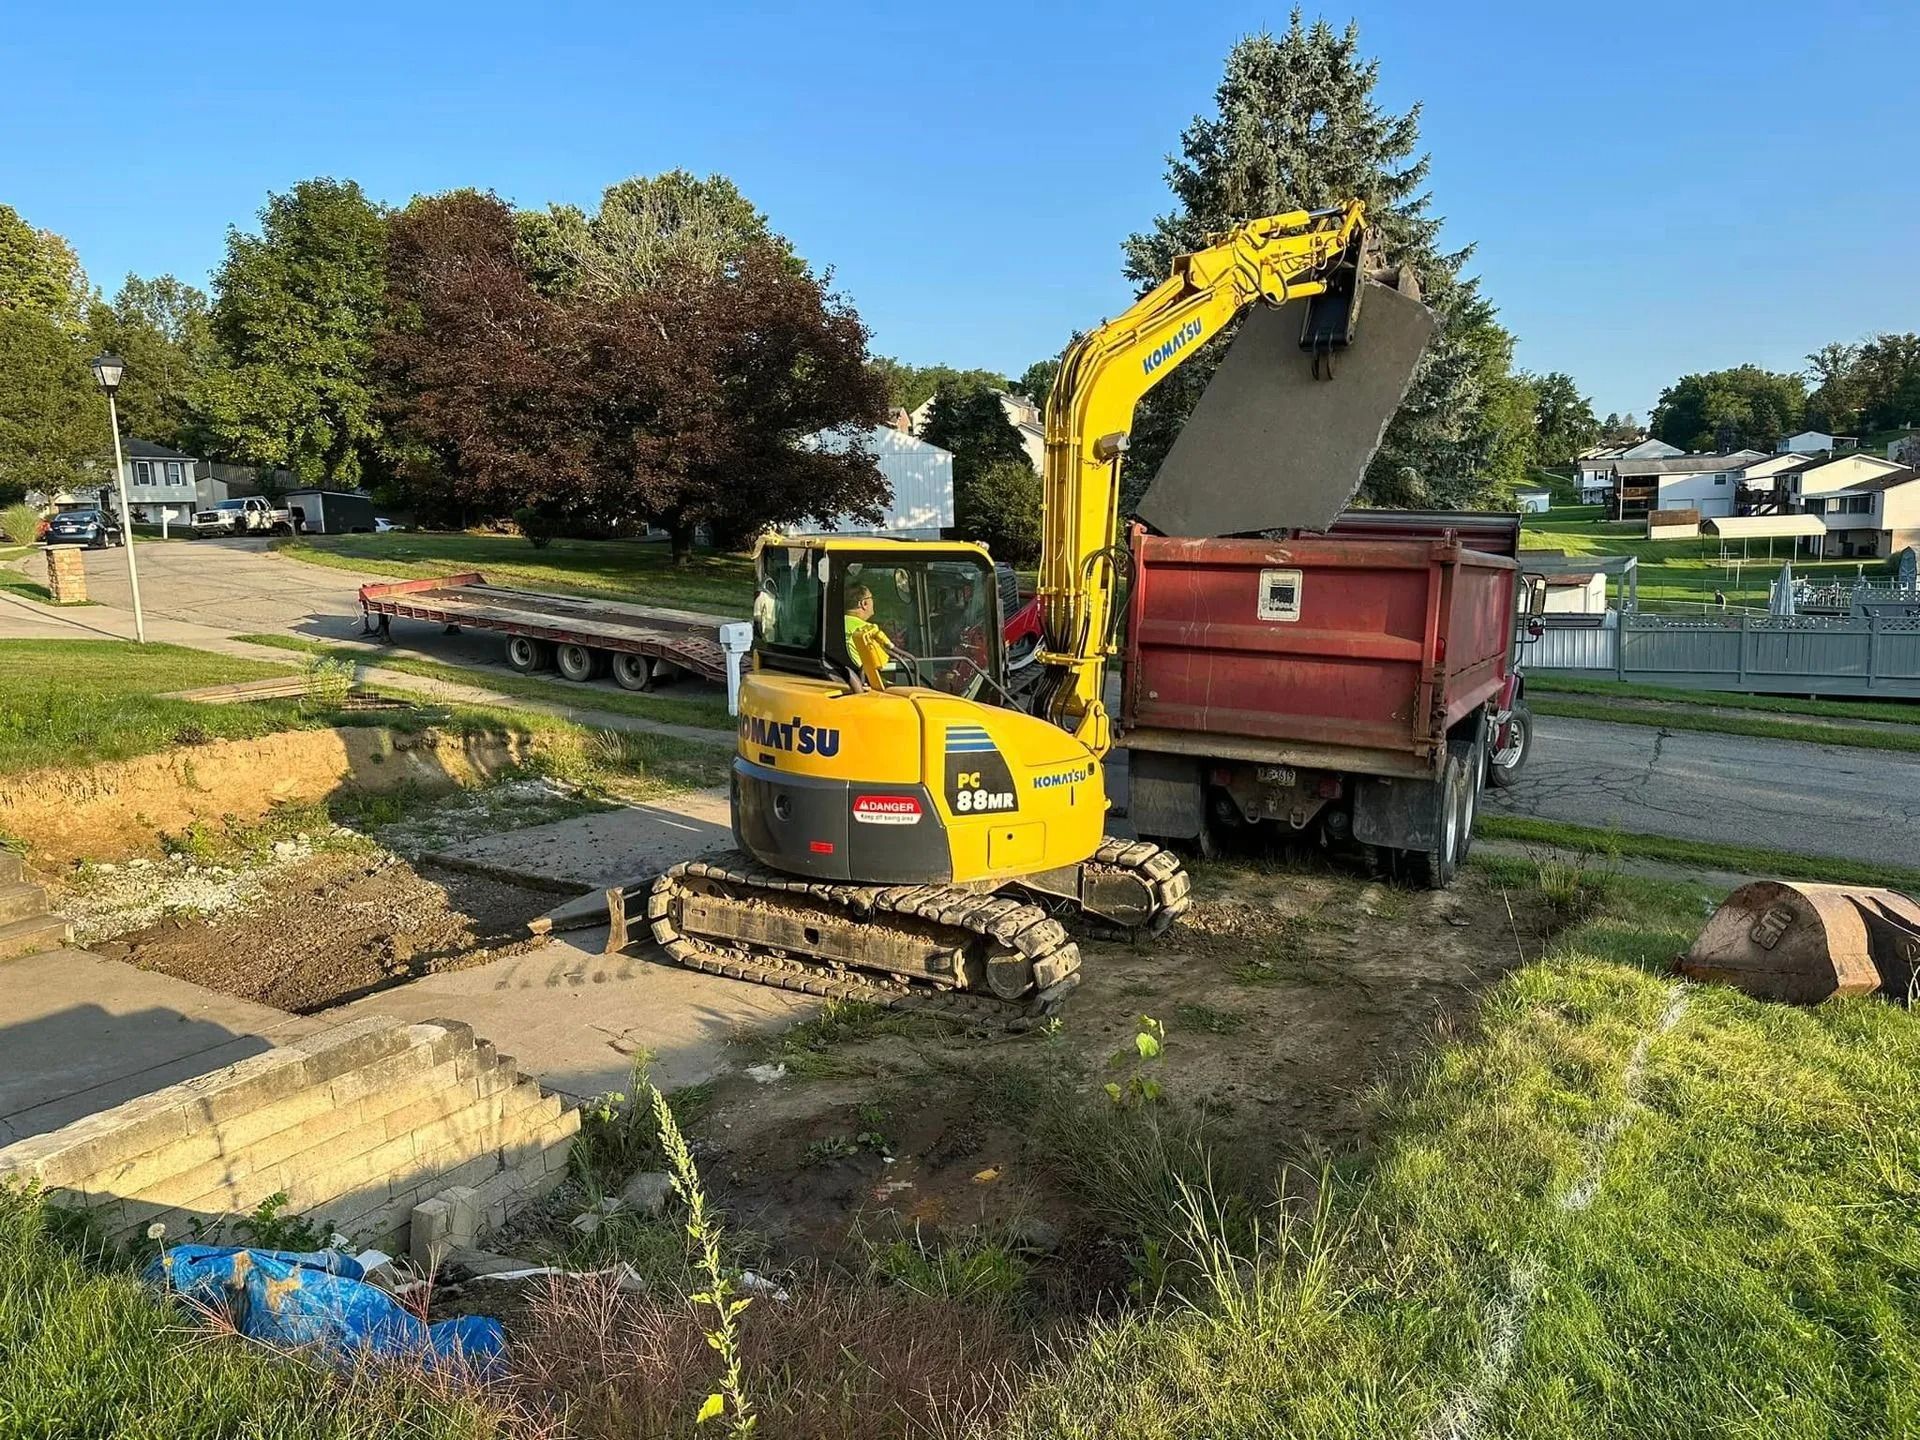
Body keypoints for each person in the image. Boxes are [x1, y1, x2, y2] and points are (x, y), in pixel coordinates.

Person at [844, 583, 910, 686]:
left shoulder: (833, 625)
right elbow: (883, 666)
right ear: (864, 603)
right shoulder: (869, 631)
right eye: (871, 597)